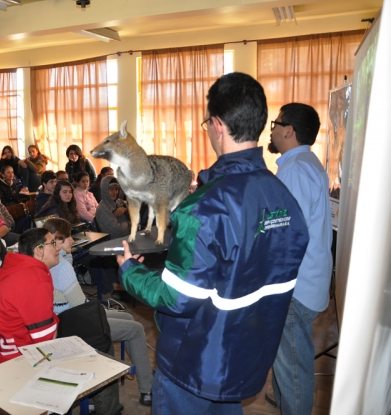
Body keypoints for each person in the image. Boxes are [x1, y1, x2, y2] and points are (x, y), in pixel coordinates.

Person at [115, 72, 310, 414]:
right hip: (244, 357)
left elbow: (176, 298)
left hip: (194, 363)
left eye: (207, 123)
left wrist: (130, 270)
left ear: (217, 125)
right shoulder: (283, 197)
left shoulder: (203, 207)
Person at [42, 218, 154, 406]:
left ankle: (144, 372)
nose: (72, 240)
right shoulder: (62, 267)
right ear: (56, 242)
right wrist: (99, 309)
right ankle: (147, 388)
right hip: (75, 323)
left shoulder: (54, 262)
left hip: (66, 317)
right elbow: (80, 306)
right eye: (68, 237)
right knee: (135, 328)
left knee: (126, 317)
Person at [267, 103, 333, 415]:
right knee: (289, 362)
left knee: (293, 369)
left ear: (288, 130)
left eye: (275, 123)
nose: (272, 129)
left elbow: (285, 235)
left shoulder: (294, 170)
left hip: (294, 287)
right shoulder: (307, 163)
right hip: (306, 281)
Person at [0, 228, 58, 363]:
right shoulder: (35, 280)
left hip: (7, 350)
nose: (58, 247)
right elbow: (45, 340)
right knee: (91, 334)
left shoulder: (20, 269)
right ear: (39, 250)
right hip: (21, 358)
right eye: (53, 243)